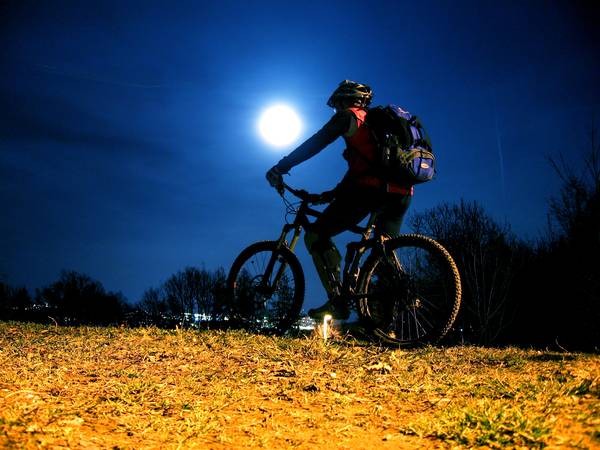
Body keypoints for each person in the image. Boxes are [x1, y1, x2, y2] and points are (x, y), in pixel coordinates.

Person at [266, 80, 413, 320]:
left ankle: (337, 300)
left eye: (336, 106)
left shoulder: (349, 117)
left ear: (345, 100)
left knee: (316, 235)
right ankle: (387, 327)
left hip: (371, 192)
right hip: (401, 192)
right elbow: (360, 170)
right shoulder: (375, 127)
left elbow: (316, 142)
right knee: (383, 255)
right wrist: (330, 195)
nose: (336, 111)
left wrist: (282, 166)